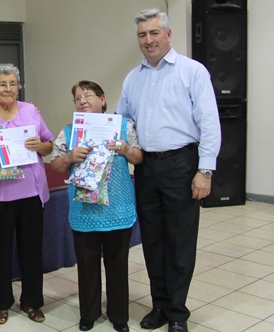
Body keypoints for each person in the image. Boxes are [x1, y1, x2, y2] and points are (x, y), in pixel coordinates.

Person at [116, 8, 221, 332]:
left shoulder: (192, 72)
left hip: (181, 165)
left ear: (168, 34)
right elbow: (123, 121)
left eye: (154, 33)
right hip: (147, 167)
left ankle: (177, 313)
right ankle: (159, 306)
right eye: (142, 35)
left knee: (179, 244)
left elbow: (209, 124)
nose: (148, 40)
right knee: (153, 242)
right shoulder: (133, 78)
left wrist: (205, 171)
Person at [50, 81, 143, 332]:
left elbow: (139, 156)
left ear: (102, 100)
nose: (82, 100)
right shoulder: (69, 132)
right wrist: (70, 157)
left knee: (117, 265)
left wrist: (123, 149)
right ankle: (88, 314)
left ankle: (119, 316)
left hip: (118, 208)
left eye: (88, 95)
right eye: (77, 98)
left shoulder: (123, 127)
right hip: (84, 210)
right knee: (87, 266)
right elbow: (56, 165)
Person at [0, 63, 53, 325]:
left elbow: (48, 145)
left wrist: (41, 146)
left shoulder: (30, 111)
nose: (8, 88)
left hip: (32, 194)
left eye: (13, 83)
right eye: (2, 84)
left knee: (31, 251)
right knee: (0, 253)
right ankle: (2, 303)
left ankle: (32, 301)